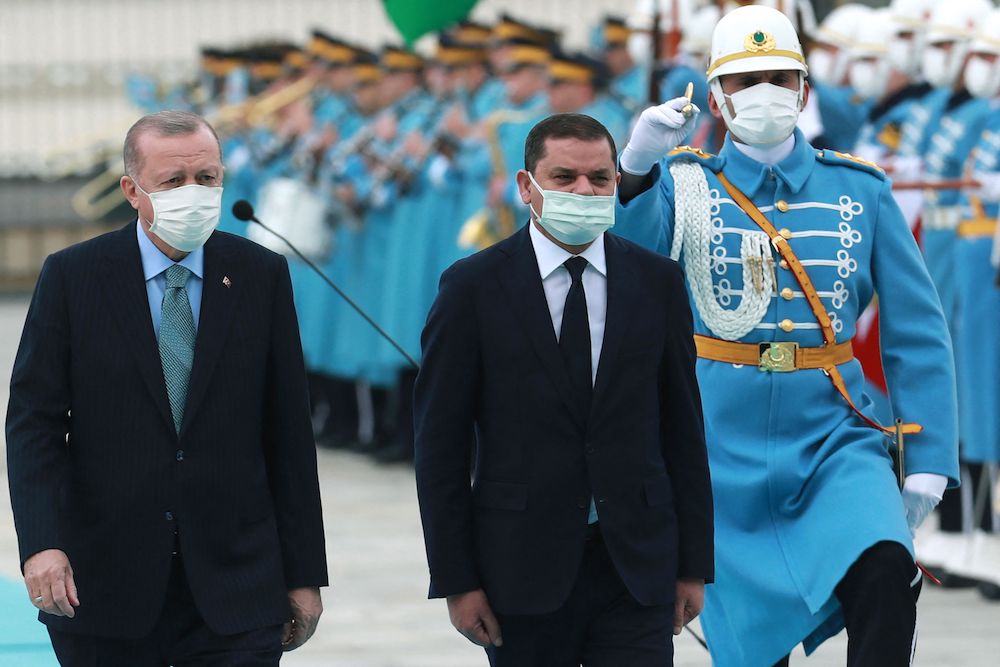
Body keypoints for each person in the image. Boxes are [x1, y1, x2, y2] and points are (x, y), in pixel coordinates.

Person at [614, 5, 958, 665]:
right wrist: (635, 169)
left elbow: (917, 333)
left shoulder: (861, 190)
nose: (764, 92)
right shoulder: (684, 186)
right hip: (716, 446)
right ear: (715, 95)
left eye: (779, 76)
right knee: (747, 641)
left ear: (803, 89)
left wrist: (931, 457)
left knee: (887, 570)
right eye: (745, 80)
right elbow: (628, 269)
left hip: (833, 436)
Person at [6, 110, 328, 665]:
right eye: (173, 182)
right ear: (132, 190)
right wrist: (42, 543)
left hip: (237, 582)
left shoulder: (260, 274)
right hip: (105, 582)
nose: (194, 194)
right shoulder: (73, 277)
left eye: (206, 179)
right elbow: (33, 423)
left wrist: (304, 574)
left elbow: (289, 434)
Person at [413, 112, 714, 666]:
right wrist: (457, 579)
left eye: (600, 179)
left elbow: (684, 429)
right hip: (521, 570)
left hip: (636, 566)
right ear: (527, 186)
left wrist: (693, 563)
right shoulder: (473, 288)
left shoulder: (657, 282)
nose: (584, 190)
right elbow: (440, 447)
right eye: (564, 177)